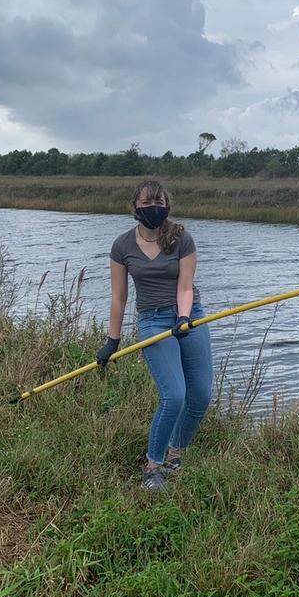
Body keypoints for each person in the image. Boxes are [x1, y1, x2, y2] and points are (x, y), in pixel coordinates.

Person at [98, 180, 213, 491]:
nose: (154, 208)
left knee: (200, 395)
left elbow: (186, 287)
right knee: (174, 395)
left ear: (168, 205)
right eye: (147, 203)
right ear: (135, 207)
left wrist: (186, 317)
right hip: (152, 320)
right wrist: (112, 341)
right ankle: (153, 466)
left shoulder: (181, 238)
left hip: (190, 315)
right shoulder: (122, 246)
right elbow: (119, 297)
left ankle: (177, 451)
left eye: (159, 202)